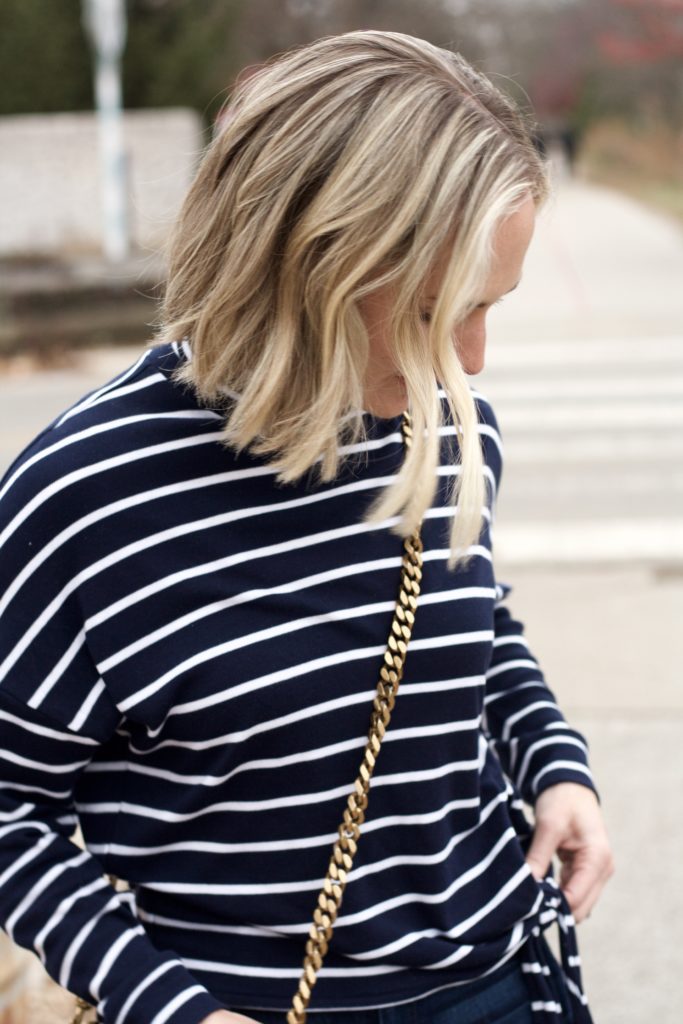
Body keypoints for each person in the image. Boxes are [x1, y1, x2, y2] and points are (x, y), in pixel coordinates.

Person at [0, 30, 613, 1024]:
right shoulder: (87, 496)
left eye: (492, 306)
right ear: (321, 268)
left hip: (506, 980)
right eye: (443, 311)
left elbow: (478, 627)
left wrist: (553, 765)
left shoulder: (444, 428)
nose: (474, 359)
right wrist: (166, 1006)